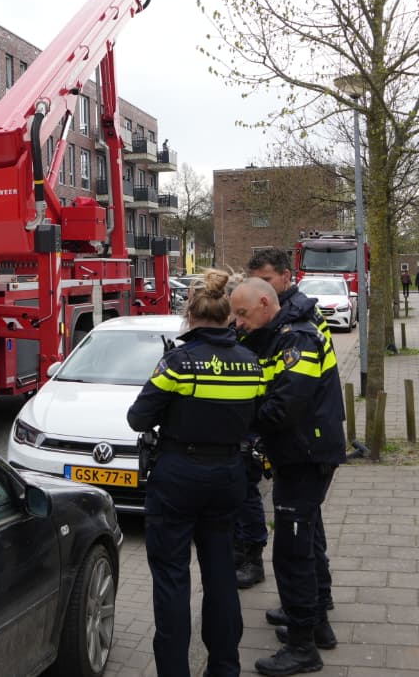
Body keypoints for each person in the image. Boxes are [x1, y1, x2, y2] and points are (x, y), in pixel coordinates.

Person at [127, 269, 265, 677]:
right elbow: (255, 417)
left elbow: (138, 418)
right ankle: (224, 668)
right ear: (228, 315)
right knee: (221, 573)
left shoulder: (178, 363)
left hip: (177, 478)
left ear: (190, 313)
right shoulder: (251, 364)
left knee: (172, 579)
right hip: (228, 478)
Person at [230, 277, 346, 676]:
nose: (240, 322)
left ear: (265, 303)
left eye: (243, 314)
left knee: (291, 553)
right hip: (303, 454)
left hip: (304, 455)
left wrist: (239, 420)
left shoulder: (298, 341)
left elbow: (284, 408)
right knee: (307, 541)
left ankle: (302, 649)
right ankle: (316, 627)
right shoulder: (279, 336)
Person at [234, 248, 334, 588]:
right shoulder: (285, 318)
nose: (262, 289)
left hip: (306, 441)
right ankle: (315, 603)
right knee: (308, 528)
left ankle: (306, 617)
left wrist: (246, 421)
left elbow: (291, 394)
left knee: (296, 540)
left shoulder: (295, 324)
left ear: (286, 277)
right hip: (305, 438)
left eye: (266, 280)